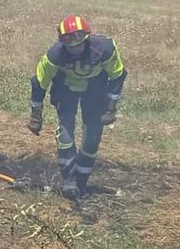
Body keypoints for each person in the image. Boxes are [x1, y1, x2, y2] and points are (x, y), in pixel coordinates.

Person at [28, 15, 126, 199]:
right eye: (69, 46)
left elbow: (118, 75)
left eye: (79, 44)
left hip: (95, 89)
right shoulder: (54, 56)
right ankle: (69, 181)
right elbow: (39, 83)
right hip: (65, 89)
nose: (75, 49)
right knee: (65, 134)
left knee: (93, 135)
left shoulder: (105, 49)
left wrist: (111, 106)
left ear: (87, 38)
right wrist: (36, 114)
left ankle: (81, 182)